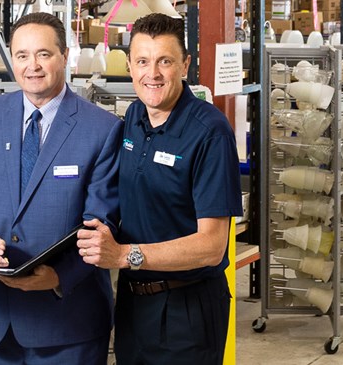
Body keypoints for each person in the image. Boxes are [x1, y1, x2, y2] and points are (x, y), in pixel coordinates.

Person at [0, 12, 123, 365]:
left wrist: (58, 276)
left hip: (68, 321)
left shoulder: (102, 128)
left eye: (44, 54)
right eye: (22, 55)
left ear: (65, 56)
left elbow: (104, 223)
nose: (32, 66)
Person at [77, 13, 243, 365]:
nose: (152, 74)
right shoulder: (134, 118)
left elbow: (212, 246)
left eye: (164, 61)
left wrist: (123, 256)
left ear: (185, 65)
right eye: (142, 61)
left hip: (188, 310)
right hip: (134, 305)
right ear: (130, 66)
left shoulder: (210, 132)